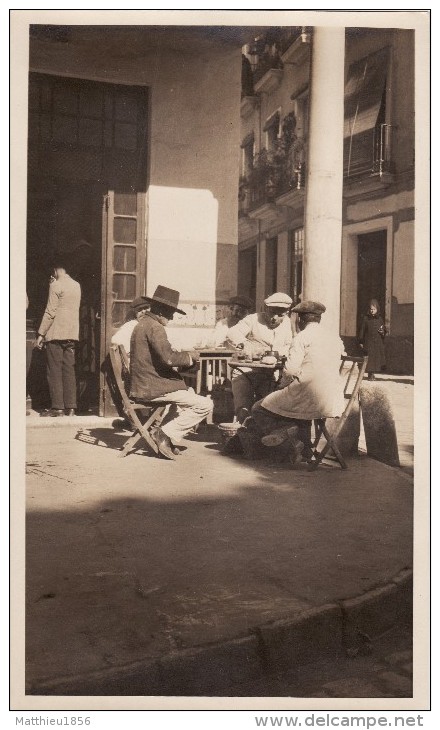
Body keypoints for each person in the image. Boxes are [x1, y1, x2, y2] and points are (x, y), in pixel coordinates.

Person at [244, 300, 345, 462]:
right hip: (333, 398)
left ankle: (291, 438)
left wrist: (281, 386)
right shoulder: (334, 337)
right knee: (294, 407)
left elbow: (290, 371)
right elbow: (341, 356)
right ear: (319, 319)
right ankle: (302, 448)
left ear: (300, 320)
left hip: (308, 397)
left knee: (258, 408)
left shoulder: (301, 337)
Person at [129, 285, 213, 460]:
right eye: (170, 312)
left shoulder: (143, 324)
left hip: (144, 384)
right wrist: (191, 357)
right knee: (205, 405)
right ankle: (163, 434)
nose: (172, 317)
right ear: (160, 311)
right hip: (151, 388)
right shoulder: (155, 327)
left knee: (186, 394)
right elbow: (168, 358)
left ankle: (166, 437)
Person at [226, 292, 293, 422]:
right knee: (243, 407)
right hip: (246, 372)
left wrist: (280, 353)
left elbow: (291, 345)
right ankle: (243, 425)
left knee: (269, 409)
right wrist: (245, 344)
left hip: (273, 375)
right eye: (272, 312)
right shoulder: (253, 319)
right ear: (265, 309)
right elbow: (232, 333)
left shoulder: (289, 324)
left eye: (280, 315)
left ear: (287, 313)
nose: (274, 318)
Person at [35, 253, 81, 417]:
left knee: (54, 370)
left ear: (56, 269)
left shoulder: (56, 285)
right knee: (69, 369)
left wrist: (40, 334)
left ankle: (57, 407)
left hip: (55, 334)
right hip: (71, 334)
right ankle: (70, 407)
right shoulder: (76, 285)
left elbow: (50, 312)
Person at [111, 296, 150, 361]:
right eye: (139, 309)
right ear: (135, 313)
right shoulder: (130, 325)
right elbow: (114, 340)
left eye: (146, 308)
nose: (143, 312)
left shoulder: (152, 325)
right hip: (136, 364)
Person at [358, 298, 387, 381]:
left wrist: (382, 331)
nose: (372, 311)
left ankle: (373, 374)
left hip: (377, 342)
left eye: (374, 309)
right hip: (369, 342)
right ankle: (370, 375)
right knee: (369, 359)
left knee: (376, 359)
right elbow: (362, 330)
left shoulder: (380, 319)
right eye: (371, 309)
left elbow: (383, 330)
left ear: (377, 309)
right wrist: (361, 341)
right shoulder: (366, 319)